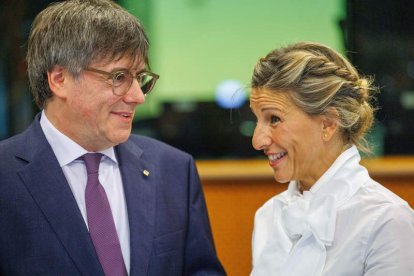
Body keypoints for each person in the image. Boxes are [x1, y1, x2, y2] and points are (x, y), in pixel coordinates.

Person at [0, 0, 226, 275]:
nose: (138, 96)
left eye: (140, 78)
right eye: (119, 77)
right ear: (60, 79)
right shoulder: (6, 175)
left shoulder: (174, 170)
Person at [249, 42, 414, 276]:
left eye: (274, 119)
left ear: (327, 123)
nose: (258, 141)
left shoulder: (386, 221)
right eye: (257, 119)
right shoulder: (268, 216)